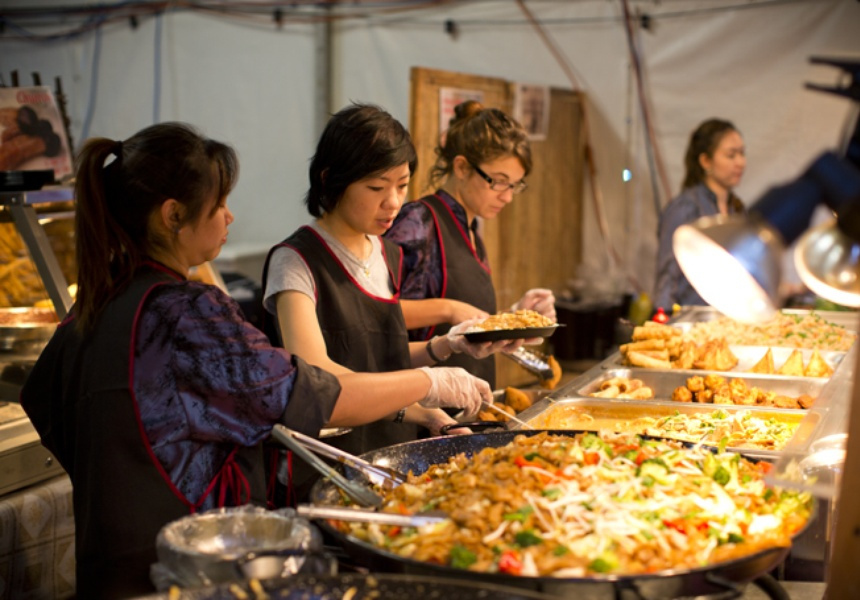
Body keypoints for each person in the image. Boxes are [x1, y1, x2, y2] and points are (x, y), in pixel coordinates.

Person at [19, 122, 491, 600]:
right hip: (192, 565)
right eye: (219, 204)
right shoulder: (188, 311)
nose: (229, 218)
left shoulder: (96, 303)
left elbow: (40, 397)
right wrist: (429, 382)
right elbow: (317, 392)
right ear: (173, 215)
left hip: (107, 560)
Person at [262, 104, 520, 499]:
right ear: (331, 179)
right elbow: (322, 384)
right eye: (376, 187)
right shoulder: (296, 261)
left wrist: (441, 351)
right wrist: (430, 382)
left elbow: (378, 357)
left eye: (402, 186)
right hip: (327, 469)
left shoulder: (387, 254)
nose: (394, 202)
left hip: (389, 463)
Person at [385, 100, 557, 387]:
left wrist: (512, 320)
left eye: (515, 185)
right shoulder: (419, 222)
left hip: (468, 402)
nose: (508, 196)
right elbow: (376, 313)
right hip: (424, 407)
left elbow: (466, 329)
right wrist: (448, 308)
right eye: (499, 181)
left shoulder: (471, 230)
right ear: (462, 167)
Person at [653, 118, 746, 312]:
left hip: (729, 317)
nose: (740, 162)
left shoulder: (736, 208)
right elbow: (668, 273)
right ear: (705, 161)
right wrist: (662, 318)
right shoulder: (686, 208)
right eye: (731, 155)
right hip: (690, 318)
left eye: (742, 154)